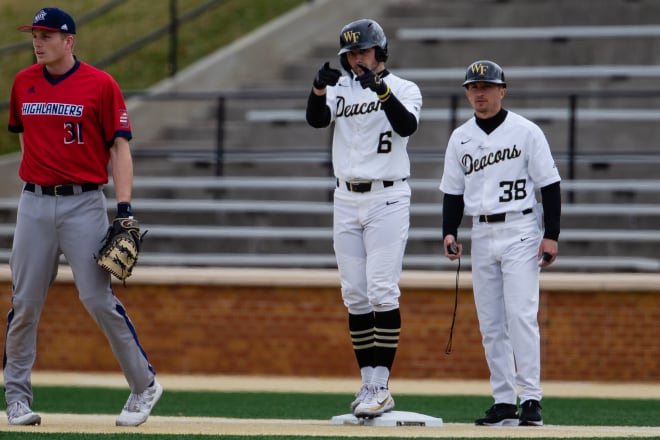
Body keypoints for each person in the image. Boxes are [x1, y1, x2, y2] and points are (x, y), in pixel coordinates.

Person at [4, 7, 162, 426]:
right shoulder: (24, 83)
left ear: (68, 41)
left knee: (97, 298)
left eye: (46, 35)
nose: (37, 42)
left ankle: (144, 385)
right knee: (24, 303)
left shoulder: (100, 85)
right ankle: (16, 398)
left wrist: (124, 209)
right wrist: (34, 187)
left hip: (84, 202)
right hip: (34, 203)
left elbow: (120, 149)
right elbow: (27, 143)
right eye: (34, 35)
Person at [305, 18, 422, 418]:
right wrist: (318, 88)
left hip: (387, 195)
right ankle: (369, 381)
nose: (357, 59)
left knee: (381, 290)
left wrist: (383, 90)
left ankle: (381, 385)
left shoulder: (405, 88)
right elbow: (317, 119)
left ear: (380, 52)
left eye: (364, 52)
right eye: (351, 54)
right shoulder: (342, 88)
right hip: (345, 196)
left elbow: (406, 125)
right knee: (354, 294)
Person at [439, 60, 561, 427]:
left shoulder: (525, 131)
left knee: (521, 316)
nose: (479, 93)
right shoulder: (460, 137)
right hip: (481, 231)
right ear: (466, 93)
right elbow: (452, 191)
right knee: (491, 323)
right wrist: (449, 230)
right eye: (473, 87)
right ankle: (504, 400)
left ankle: (532, 399)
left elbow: (550, 184)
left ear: (502, 90)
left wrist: (551, 234)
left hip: (521, 228)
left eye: (487, 86)